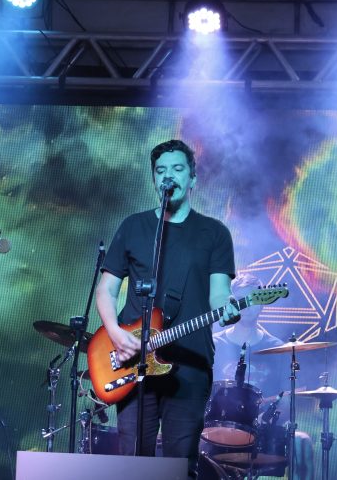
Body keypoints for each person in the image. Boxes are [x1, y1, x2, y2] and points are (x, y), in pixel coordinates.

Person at [95, 140, 239, 478]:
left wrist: (228, 307)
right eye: (161, 171)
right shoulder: (134, 227)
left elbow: (219, 294)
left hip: (190, 364)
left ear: (192, 178)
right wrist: (115, 333)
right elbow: (106, 289)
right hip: (134, 361)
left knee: (180, 465)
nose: (168, 176)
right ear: (154, 179)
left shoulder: (214, 233)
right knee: (132, 466)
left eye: (177, 169)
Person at [210, 274, 313, 480]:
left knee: (302, 442)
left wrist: (264, 419)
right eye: (242, 299)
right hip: (216, 429)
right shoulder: (215, 344)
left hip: (262, 431)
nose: (248, 305)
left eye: (253, 299)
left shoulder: (277, 348)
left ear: (263, 303)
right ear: (232, 302)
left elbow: (286, 398)